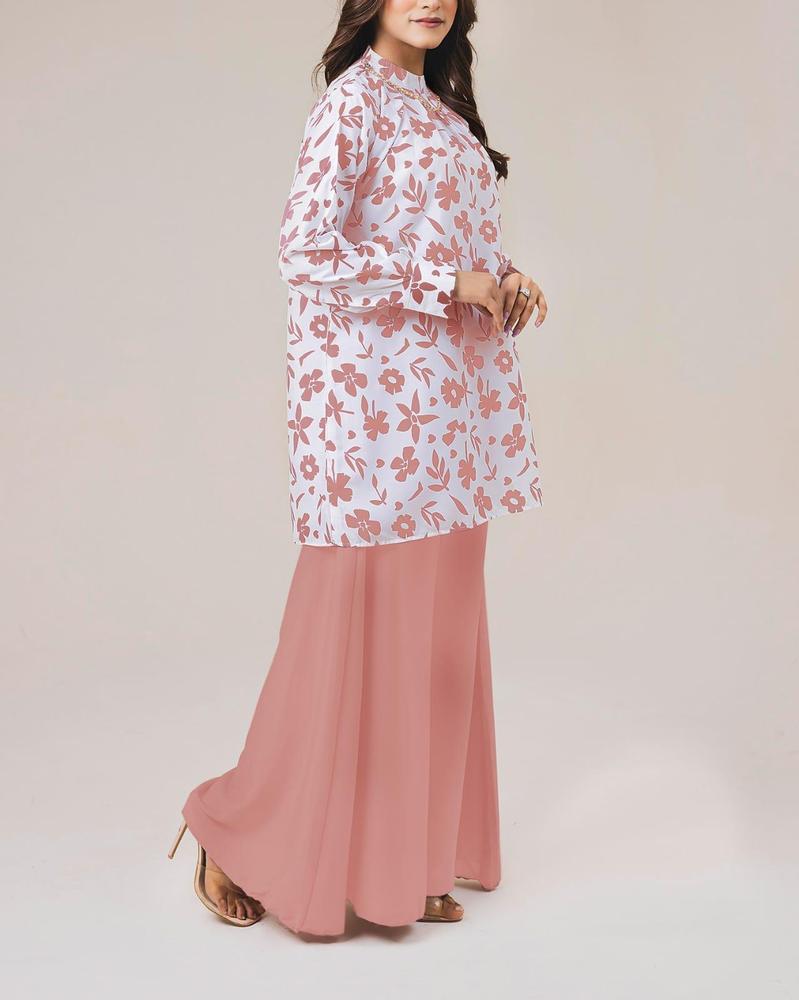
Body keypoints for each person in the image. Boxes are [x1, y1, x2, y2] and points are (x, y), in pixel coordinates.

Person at [167, 0, 548, 937]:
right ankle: (231, 830)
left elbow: (442, 239)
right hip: (373, 420)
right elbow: (306, 250)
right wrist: (445, 283)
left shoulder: (444, 111)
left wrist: (501, 276)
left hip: (449, 416)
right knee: (350, 635)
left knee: (435, 645)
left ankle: (401, 864)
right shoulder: (353, 101)